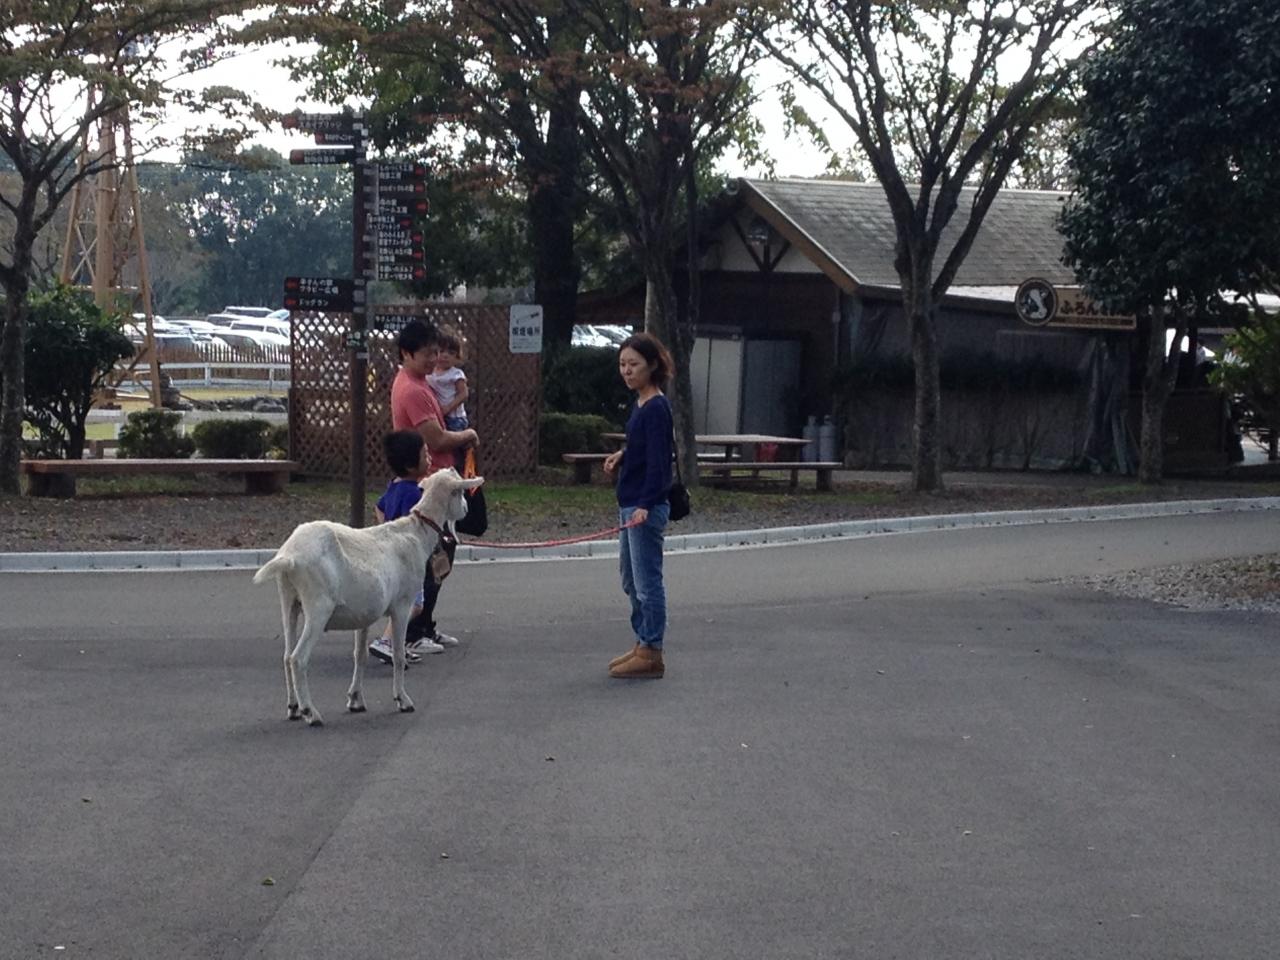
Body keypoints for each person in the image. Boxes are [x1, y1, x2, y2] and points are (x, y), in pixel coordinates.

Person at [390, 319, 480, 654]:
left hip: (437, 481)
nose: (433, 360)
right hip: (429, 485)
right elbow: (436, 438)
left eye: (436, 353)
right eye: (427, 354)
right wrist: (469, 435)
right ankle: (414, 631)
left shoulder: (418, 382)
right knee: (432, 558)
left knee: (441, 555)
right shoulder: (413, 390)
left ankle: (425, 624)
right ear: (406, 353)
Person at [602, 332, 675, 679]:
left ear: (653, 365)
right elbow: (644, 447)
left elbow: (661, 462)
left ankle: (651, 650)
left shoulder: (657, 407)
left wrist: (646, 504)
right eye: (622, 365)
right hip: (630, 501)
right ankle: (642, 642)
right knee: (630, 580)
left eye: (634, 364)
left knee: (647, 582)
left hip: (644, 506)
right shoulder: (642, 403)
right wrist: (624, 454)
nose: (627, 371)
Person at [367, 430, 432, 665]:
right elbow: (414, 524)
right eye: (424, 455)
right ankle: (385, 642)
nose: (429, 459)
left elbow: (379, 507)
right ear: (410, 465)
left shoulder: (394, 486)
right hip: (406, 562)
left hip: (392, 556)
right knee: (414, 605)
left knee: (404, 604)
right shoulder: (414, 494)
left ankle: (397, 647)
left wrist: (386, 527)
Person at [428, 329, 469, 432]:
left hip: (454, 418)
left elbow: (464, 394)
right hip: (438, 415)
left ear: (457, 357)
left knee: (453, 442)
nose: (445, 356)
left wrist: (449, 407)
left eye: (451, 353)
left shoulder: (455, 374)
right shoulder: (430, 372)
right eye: (441, 351)